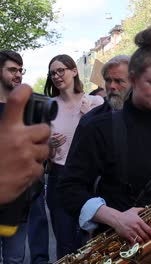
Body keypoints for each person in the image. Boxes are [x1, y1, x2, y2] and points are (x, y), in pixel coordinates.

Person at [57, 25, 151, 263]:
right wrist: (115, 218)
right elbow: (68, 189)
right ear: (133, 80)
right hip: (116, 251)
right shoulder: (97, 128)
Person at [44, 54, 104, 259]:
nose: (57, 76)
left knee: (93, 240)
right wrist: (49, 146)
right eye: (53, 73)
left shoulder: (96, 102)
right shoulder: (47, 106)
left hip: (91, 178)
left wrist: (88, 119)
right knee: (66, 241)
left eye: (61, 70)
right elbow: (47, 156)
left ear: (74, 71)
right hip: (59, 176)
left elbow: (105, 144)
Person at [0, 50, 47, 264]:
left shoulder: (29, 110)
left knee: (15, 259)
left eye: (20, 70)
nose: (18, 74)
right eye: (12, 70)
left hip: (19, 206)